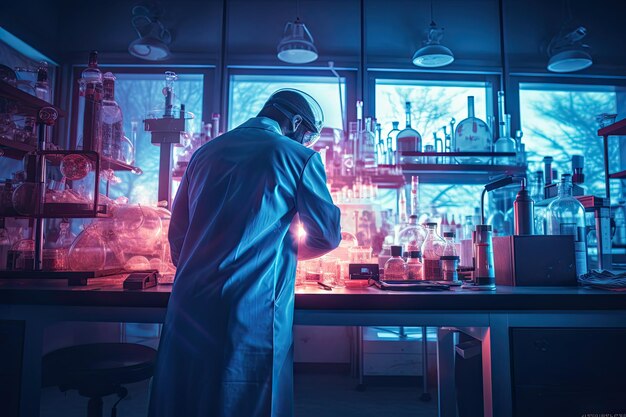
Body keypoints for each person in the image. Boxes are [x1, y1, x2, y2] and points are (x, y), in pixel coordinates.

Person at [148, 89, 341, 417]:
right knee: (247, 398)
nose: (306, 143)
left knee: (186, 398)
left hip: (190, 300)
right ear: (295, 121)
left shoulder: (204, 153)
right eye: (306, 135)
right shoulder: (298, 157)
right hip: (251, 303)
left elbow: (178, 235)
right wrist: (277, 248)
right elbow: (326, 236)